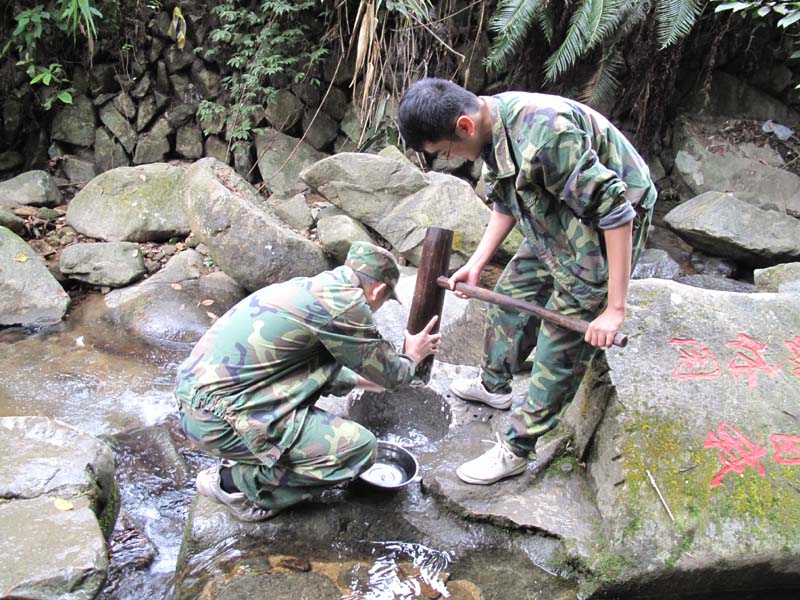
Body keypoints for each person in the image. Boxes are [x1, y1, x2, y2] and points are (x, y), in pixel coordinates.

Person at [398, 78, 656, 485]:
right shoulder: (489, 126)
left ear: (464, 125)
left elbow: (615, 212)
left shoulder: (546, 135)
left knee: (559, 338)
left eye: (445, 152)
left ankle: (518, 448)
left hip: (612, 217)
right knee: (511, 294)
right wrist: (477, 263)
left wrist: (613, 308)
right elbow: (508, 198)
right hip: (558, 209)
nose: (450, 159)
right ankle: (494, 385)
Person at [174, 241, 441, 521]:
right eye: (384, 300)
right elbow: (395, 375)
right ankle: (236, 486)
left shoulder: (309, 288)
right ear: (378, 290)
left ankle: (251, 455)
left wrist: (365, 382)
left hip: (195, 401)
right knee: (359, 449)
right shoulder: (346, 306)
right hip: (220, 421)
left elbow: (306, 368)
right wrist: (413, 355)